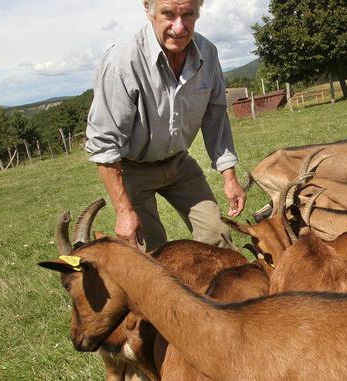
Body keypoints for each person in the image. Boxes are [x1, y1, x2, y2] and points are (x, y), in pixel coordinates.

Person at [85, 0, 246, 252]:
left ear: (198, 13)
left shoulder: (207, 53)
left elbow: (215, 116)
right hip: (132, 169)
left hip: (179, 163)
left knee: (218, 236)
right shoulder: (123, 61)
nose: (179, 28)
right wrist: (124, 211)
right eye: (168, 14)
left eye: (188, 14)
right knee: (153, 253)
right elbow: (104, 144)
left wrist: (230, 177)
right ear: (148, 10)